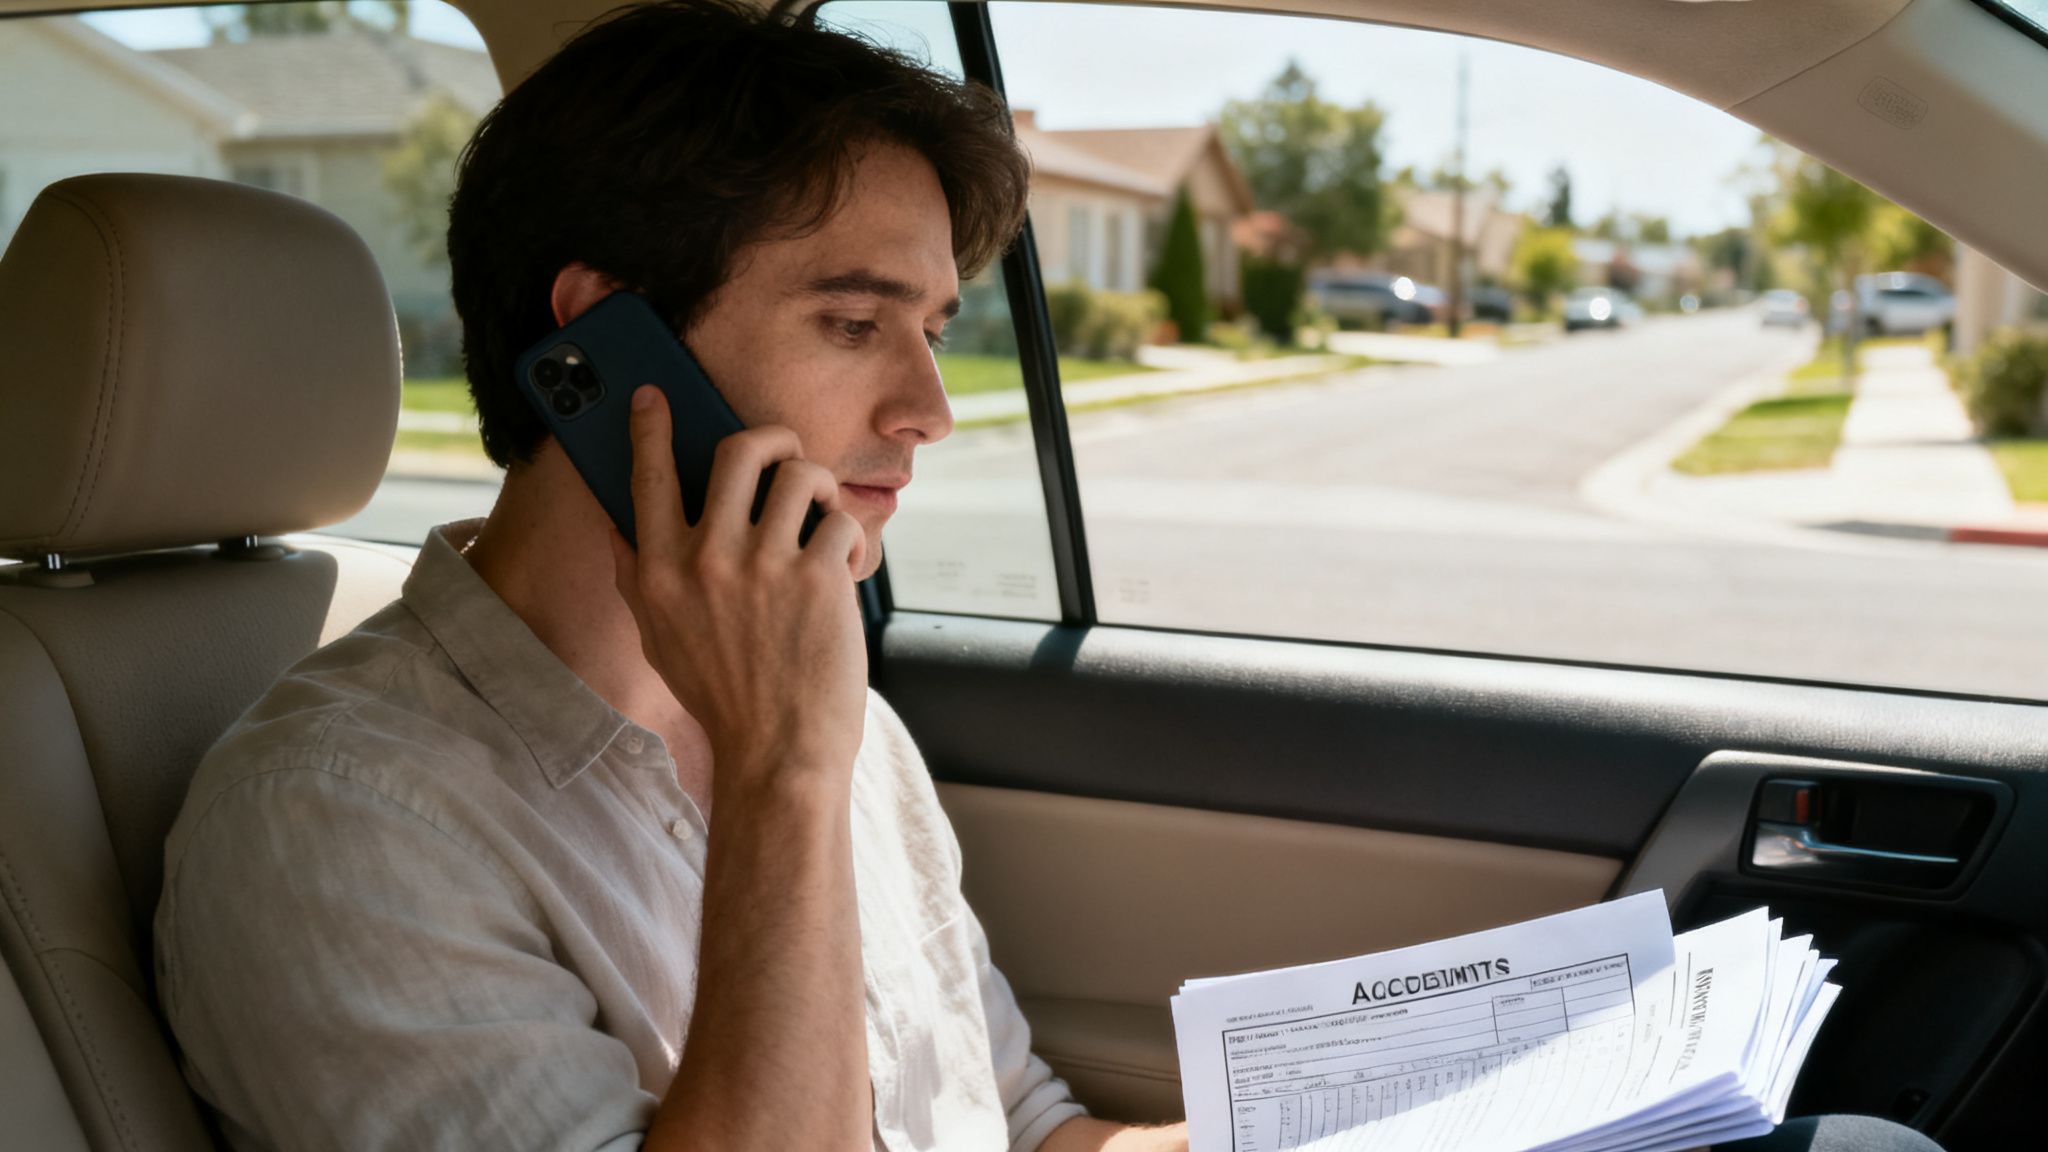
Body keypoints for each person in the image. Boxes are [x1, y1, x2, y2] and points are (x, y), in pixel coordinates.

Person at [151, 3, 1945, 1152]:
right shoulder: (337, 824)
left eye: (930, 331)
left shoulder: (834, 711)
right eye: (857, 324)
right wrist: (783, 771)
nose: (929, 411)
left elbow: (1010, 1126)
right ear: (602, 349)